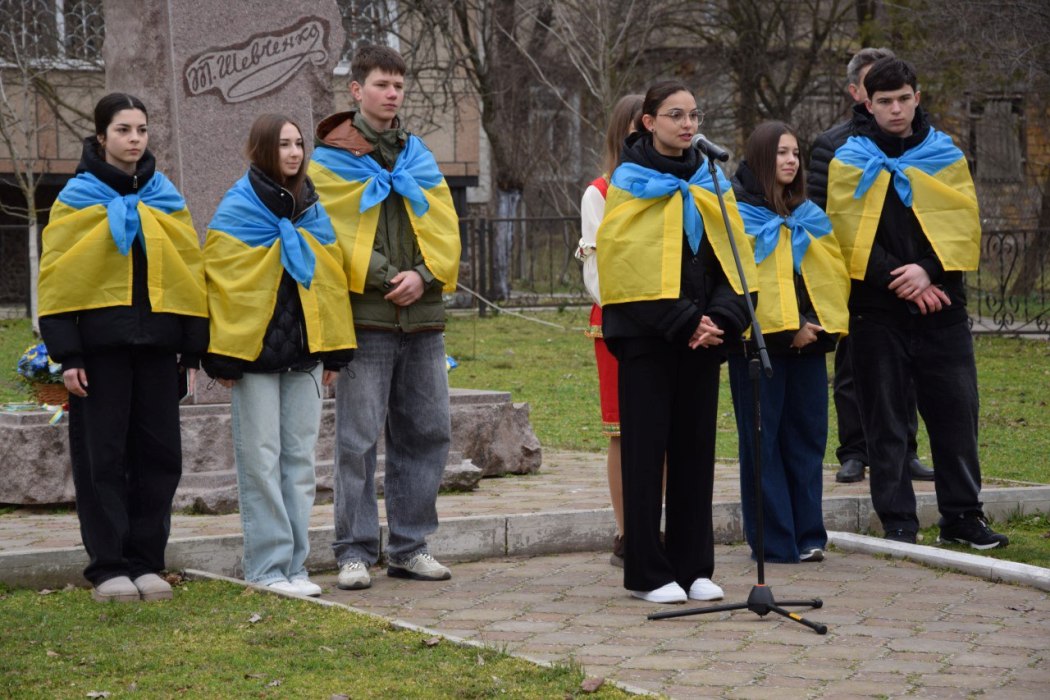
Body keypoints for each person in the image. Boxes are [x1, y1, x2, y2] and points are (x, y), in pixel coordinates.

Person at [825, 57, 1008, 548]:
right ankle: (899, 521)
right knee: (884, 420)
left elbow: (962, 226)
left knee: (956, 414)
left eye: (904, 98)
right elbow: (845, 236)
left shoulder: (944, 154)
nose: (896, 109)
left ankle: (963, 516)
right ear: (867, 102)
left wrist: (928, 270)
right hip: (876, 310)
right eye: (884, 101)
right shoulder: (850, 158)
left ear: (917, 97)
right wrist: (899, 278)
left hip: (942, 306)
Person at [37, 93, 208, 602]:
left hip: (159, 351)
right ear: (101, 137)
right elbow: (58, 280)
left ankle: (147, 561)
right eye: (123, 130)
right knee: (102, 458)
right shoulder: (76, 198)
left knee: (160, 457)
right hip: (99, 355)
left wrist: (191, 351)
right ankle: (108, 566)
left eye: (141, 130)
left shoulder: (165, 197)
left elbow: (189, 272)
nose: (135, 139)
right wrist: (69, 354)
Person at [309, 45, 462, 589]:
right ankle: (353, 550)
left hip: (422, 317)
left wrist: (423, 274)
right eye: (381, 84)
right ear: (355, 90)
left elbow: (444, 226)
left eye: (399, 84)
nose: (392, 93)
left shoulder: (416, 154)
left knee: (427, 431)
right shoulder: (330, 158)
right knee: (356, 439)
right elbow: (327, 232)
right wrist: (383, 276)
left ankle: (409, 545)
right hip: (366, 317)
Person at [597, 80, 754, 603]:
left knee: (696, 452)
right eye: (674, 114)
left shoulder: (712, 179)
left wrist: (723, 320)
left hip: (704, 341)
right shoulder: (630, 181)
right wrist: (687, 321)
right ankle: (647, 571)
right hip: (650, 340)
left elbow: (734, 258)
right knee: (646, 455)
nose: (687, 124)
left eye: (693, 114)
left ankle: (694, 565)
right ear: (648, 122)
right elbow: (626, 270)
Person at [202, 114, 356, 596]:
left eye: (298, 144)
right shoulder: (237, 208)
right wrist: (221, 356)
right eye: (283, 144)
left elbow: (330, 282)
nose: (293, 152)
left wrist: (333, 351)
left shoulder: (313, 207)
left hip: (306, 356)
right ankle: (267, 568)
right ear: (262, 150)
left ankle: (296, 565)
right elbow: (219, 283)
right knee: (261, 459)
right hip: (253, 360)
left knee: (300, 461)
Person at [808, 47, 934, 485]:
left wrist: (919, 269)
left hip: (911, 274)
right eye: (874, 87)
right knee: (852, 367)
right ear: (857, 92)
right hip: (856, 275)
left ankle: (907, 447)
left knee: (908, 370)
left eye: (898, 93)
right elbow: (826, 215)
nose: (889, 103)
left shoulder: (922, 142)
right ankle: (854, 449)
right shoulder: (831, 145)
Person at [729, 121, 850, 563]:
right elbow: (743, 284)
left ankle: (809, 534)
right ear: (762, 157)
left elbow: (829, 274)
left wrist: (815, 324)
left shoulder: (809, 214)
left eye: (796, 153)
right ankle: (774, 540)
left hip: (810, 345)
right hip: (759, 350)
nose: (791, 161)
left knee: (807, 441)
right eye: (782, 153)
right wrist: (789, 326)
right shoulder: (739, 213)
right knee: (763, 443)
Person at [575, 93, 643, 568]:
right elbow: (597, 271)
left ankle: (659, 522)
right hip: (620, 324)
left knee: (667, 432)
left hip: (670, 325)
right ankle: (627, 529)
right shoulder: (601, 191)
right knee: (624, 431)